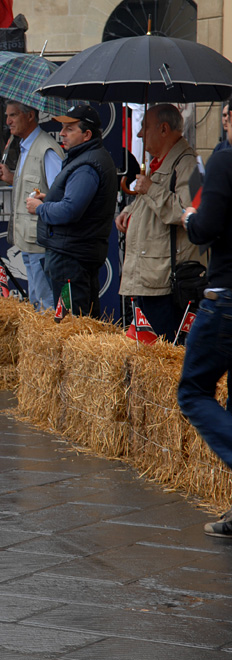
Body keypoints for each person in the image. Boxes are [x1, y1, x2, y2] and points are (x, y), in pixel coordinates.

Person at [115, 104, 204, 341]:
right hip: (151, 277)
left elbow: (188, 213)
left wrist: (150, 189)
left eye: (145, 127)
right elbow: (152, 202)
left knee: (163, 352)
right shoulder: (160, 162)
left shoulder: (187, 164)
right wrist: (129, 211)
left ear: (164, 129)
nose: (139, 134)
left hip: (166, 283)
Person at [178, 149, 232, 537]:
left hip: (226, 296)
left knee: (193, 390)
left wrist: (191, 218)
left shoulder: (225, 161)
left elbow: (206, 226)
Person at [26, 104, 118, 317]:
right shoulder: (86, 158)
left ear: (86, 134)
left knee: (72, 323)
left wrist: (42, 208)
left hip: (70, 257)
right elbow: (75, 202)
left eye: (70, 129)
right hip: (72, 253)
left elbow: (70, 210)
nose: (62, 134)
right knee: (78, 322)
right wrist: (48, 199)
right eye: (63, 128)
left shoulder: (87, 165)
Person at [0, 101, 64, 311]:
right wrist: (10, 176)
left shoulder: (46, 149)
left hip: (42, 243)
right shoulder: (27, 146)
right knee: (37, 301)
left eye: (13, 115)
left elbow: (61, 196)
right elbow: (36, 185)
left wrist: (40, 205)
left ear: (30, 116)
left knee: (46, 305)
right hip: (29, 242)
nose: (8, 121)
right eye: (7, 116)